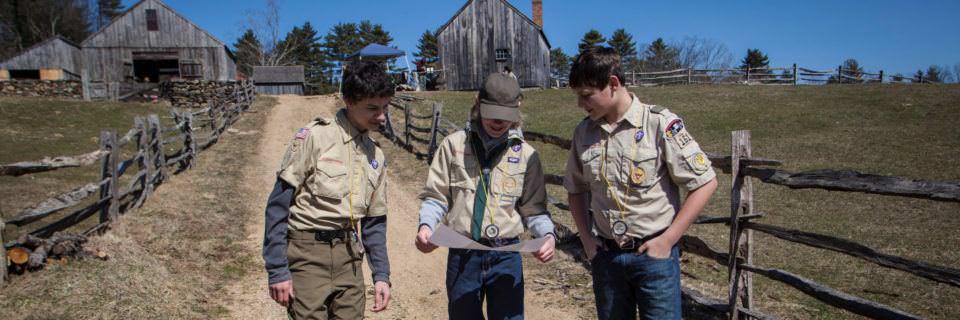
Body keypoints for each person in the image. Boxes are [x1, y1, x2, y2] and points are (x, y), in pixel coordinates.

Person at [563, 47, 718, 319]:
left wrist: (668, 240)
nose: (580, 104)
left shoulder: (660, 124)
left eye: (586, 95)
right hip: (607, 258)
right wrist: (587, 239)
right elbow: (575, 190)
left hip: (654, 259)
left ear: (613, 84)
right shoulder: (584, 132)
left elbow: (705, 183)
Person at [414, 72, 556, 320]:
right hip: (463, 254)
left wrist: (547, 235)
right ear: (478, 103)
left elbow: (534, 209)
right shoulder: (453, 146)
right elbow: (436, 196)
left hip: (507, 256)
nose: (498, 122)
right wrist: (427, 226)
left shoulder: (527, 156)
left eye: (506, 115)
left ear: (517, 108)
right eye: (492, 113)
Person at [262, 60, 393, 319]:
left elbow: (374, 223)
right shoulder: (315, 137)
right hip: (307, 255)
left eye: (385, 107)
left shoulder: (374, 153)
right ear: (349, 100)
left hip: (349, 256)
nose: (381, 116)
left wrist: (381, 275)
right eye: (372, 108)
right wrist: (277, 270)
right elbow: (277, 207)